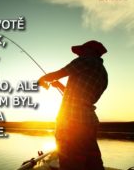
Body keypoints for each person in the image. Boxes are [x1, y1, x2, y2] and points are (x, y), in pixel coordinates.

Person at [38, 40, 108, 170]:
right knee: (92, 161)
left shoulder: (85, 61)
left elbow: (60, 72)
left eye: (82, 51)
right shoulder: (103, 73)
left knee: (70, 162)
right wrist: (58, 85)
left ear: (92, 51)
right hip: (89, 121)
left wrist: (42, 79)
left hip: (71, 122)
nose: (79, 54)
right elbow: (81, 96)